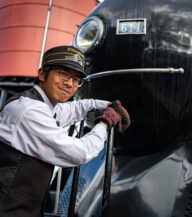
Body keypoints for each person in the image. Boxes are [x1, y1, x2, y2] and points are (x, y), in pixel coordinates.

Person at [0, 45, 130, 217]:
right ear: (42, 74)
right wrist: (105, 122)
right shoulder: (29, 110)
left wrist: (104, 105)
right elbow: (79, 153)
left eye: (76, 80)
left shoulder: (42, 105)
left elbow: (72, 109)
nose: (69, 83)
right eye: (63, 74)